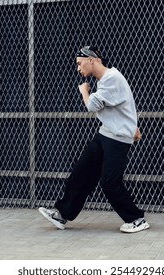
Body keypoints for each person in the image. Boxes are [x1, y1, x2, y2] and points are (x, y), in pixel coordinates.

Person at [38, 46, 150, 233]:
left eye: (80, 64)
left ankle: (137, 219)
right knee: (81, 172)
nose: (78, 69)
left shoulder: (111, 79)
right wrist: (133, 125)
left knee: (109, 182)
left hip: (118, 139)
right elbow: (125, 104)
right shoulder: (107, 79)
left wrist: (84, 91)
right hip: (105, 133)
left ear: (92, 60)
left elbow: (91, 105)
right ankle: (62, 214)